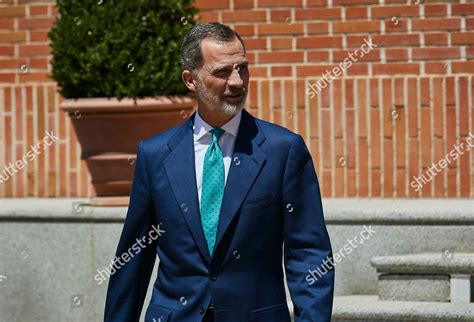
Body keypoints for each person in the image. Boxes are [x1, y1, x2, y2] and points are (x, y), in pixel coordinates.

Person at [104, 22, 334, 322]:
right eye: (223, 72)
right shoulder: (155, 154)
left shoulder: (283, 150)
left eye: (242, 68)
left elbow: (309, 253)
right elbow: (134, 258)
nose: (237, 82)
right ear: (191, 79)